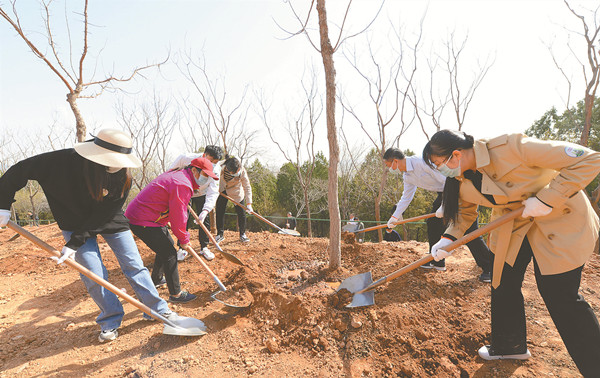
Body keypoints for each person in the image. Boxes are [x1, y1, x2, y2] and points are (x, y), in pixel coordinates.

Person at [422, 130, 600, 375]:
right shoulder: (460, 179)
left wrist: (547, 198)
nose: (441, 171)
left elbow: (589, 159)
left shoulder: (513, 148)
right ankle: (509, 345)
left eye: (440, 164)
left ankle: (595, 367)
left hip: (559, 219)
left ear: (456, 154)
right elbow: (464, 215)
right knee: (501, 279)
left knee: (558, 293)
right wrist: (447, 240)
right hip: (514, 225)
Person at [0, 129, 177, 343]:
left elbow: (106, 213)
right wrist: (3, 205)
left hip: (108, 219)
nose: (117, 166)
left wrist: (75, 243)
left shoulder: (123, 174)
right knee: (93, 274)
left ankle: (156, 309)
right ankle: (110, 319)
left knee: (134, 265)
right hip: (73, 221)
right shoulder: (60, 162)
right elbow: (18, 171)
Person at [384, 148, 493, 282]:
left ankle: (489, 267)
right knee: (433, 223)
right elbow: (406, 198)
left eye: (389, 165)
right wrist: (394, 217)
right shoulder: (407, 176)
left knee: (469, 230)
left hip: (457, 188)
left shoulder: (421, 163)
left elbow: (447, 180)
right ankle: (436, 260)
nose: (389, 169)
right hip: (443, 193)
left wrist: (445, 204)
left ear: (395, 161)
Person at [125, 157, 218, 303]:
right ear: (194, 170)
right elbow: (178, 217)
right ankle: (176, 294)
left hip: (150, 217)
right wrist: (184, 239)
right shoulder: (182, 184)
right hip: (142, 219)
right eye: (205, 175)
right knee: (169, 254)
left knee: (166, 244)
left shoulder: (181, 176)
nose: (206, 180)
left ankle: (156, 278)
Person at [167, 145, 223, 261]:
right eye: (210, 160)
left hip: (202, 193)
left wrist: (206, 210)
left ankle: (204, 247)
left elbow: (213, 191)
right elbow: (170, 172)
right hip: (186, 191)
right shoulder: (186, 158)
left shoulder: (216, 170)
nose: (212, 164)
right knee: (183, 218)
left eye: (215, 162)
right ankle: (182, 248)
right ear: (204, 155)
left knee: (204, 220)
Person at [214, 156, 253, 243]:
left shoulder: (242, 171)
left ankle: (242, 234)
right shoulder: (219, 167)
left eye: (237, 171)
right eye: (233, 172)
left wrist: (249, 204)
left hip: (236, 190)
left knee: (241, 212)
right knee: (220, 211)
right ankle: (220, 234)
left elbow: (247, 187)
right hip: (222, 189)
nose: (235, 173)